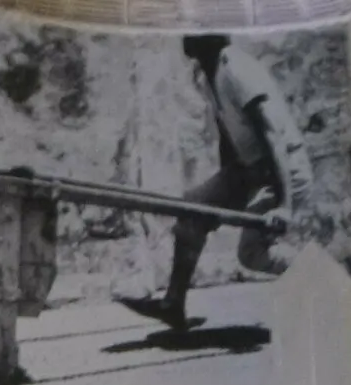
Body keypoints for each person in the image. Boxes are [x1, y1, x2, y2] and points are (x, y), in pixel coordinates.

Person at [119, 35, 314, 331]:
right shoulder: (208, 73)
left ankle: (325, 279)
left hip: (283, 171)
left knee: (251, 255)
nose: (183, 37)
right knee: (192, 211)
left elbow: (271, 134)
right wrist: (223, 193)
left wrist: (285, 205)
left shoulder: (235, 67)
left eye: (191, 29)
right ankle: (173, 304)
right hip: (248, 171)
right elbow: (228, 135)